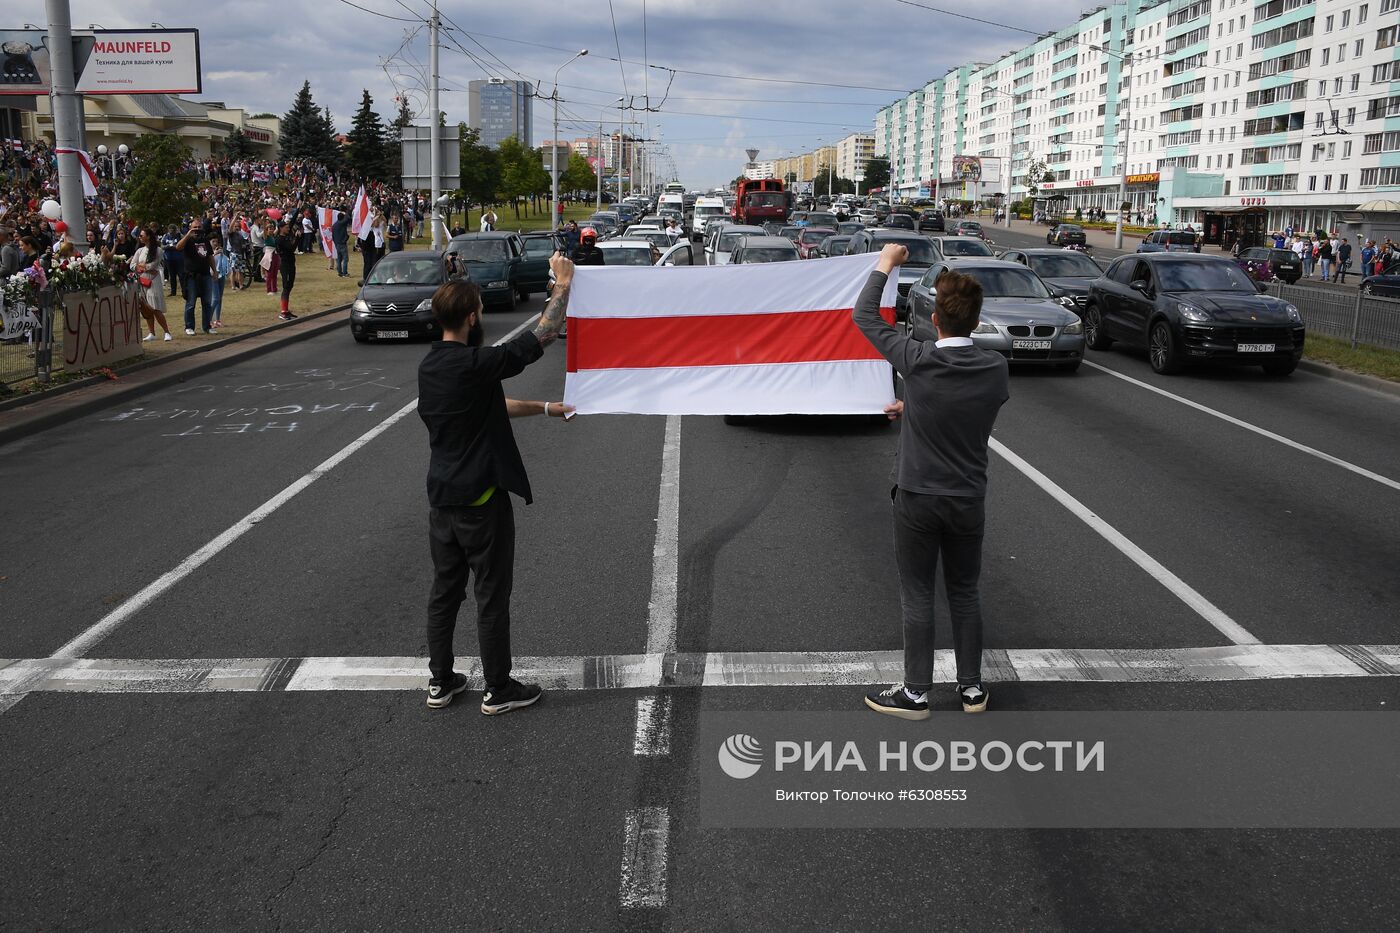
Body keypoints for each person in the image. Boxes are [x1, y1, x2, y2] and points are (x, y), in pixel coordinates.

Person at [852, 244, 1009, 719]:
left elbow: (865, 316)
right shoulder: (995, 368)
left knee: (918, 593)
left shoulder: (917, 359)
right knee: (965, 591)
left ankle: (916, 693)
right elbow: (965, 409)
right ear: (976, 322)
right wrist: (914, 406)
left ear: (935, 320)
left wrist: (885, 264)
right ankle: (972, 690)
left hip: (919, 495)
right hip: (967, 497)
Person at [416, 256, 574, 712]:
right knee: (490, 594)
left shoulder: (433, 368)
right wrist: (562, 285)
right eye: (480, 309)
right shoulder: (475, 363)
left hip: (441, 499)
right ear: (470, 317)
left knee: (445, 592)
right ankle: (498, 689)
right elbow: (541, 336)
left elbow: (492, 405)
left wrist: (546, 408)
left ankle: (441, 681)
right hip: (480, 500)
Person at [131, 226, 173, 342]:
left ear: (148, 237)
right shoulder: (140, 250)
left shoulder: (157, 250)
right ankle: (152, 332)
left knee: (155, 308)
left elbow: (153, 265)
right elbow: (132, 265)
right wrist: (142, 267)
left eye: (142, 235)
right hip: (142, 281)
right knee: (146, 308)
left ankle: (166, 331)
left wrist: (142, 266)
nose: (140, 238)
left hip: (153, 281)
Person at [177, 218, 216, 335]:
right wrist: (188, 234)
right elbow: (178, 247)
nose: (197, 230)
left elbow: (210, 256)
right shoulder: (187, 240)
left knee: (207, 302)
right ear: (190, 228)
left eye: (199, 227)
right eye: (195, 227)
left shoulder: (204, 240)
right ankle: (189, 326)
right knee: (191, 303)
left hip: (205, 274)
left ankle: (207, 326)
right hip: (191, 276)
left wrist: (214, 271)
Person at [276, 220, 298, 321]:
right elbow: (291, 248)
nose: (288, 229)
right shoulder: (280, 239)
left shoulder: (285, 237)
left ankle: (286, 309)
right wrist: (297, 238)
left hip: (291, 263)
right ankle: (283, 311)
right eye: (286, 227)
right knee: (286, 286)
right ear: (281, 228)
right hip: (285, 265)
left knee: (290, 285)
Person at [211, 235, 233, 329]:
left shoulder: (220, 253)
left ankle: (217, 319)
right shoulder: (208, 253)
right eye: (213, 241)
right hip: (212, 276)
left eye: (217, 241)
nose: (215, 243)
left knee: (219, 298)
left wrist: (221, 254)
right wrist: (214, 254)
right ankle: (208, 318)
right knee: (215, 298)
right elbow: (206, 262)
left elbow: (225, 262)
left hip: (221, 275)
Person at [332, 210, 350, 277]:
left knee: (339, 259)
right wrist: (345, 213)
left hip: (337, 244)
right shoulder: (341, 223)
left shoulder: (334, 225)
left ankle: (340, 272)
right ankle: (345, 273)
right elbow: (348, 218)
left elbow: (333, 236)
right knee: (345, 259)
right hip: (342, 243)